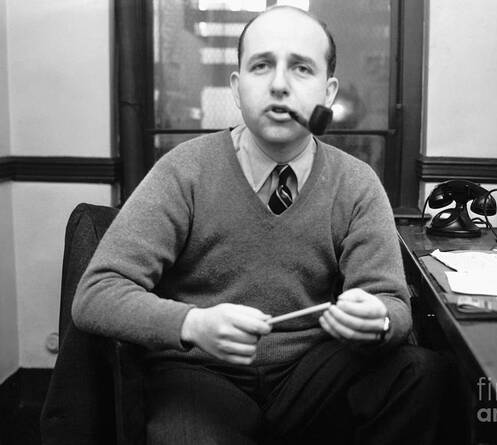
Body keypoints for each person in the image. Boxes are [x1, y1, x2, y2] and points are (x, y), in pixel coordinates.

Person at [72, 6, 453, 444]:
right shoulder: (185, 171)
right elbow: (96, 294)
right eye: (261, 65)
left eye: (301, 68)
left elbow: (392, 303)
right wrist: (192, 323)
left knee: (423, 375)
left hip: (311, 374)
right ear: (237, 88)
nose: (278, 84)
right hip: (201, 373)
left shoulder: (356, 182)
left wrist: (379, 320)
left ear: (328, 93)